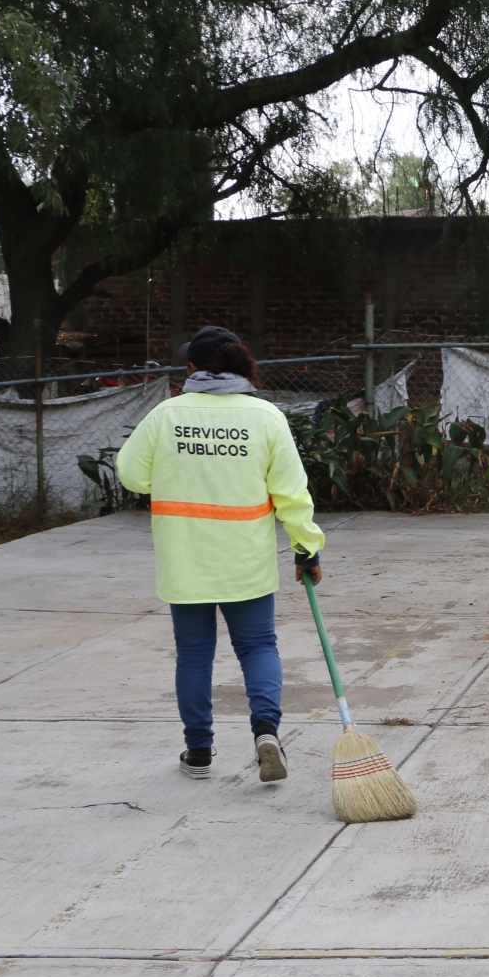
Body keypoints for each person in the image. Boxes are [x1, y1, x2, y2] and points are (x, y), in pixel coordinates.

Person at [117, 325, 326, 782]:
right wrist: (306, 548)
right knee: (257, 646)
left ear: (191, 368)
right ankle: (266, 732)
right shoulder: (266, 417)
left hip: (185, 558)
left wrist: (175, 476)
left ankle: (198, 752)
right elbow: (291, 491)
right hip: (244, 560)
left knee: (194, 654)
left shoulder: (167, 415)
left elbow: (131, 474)